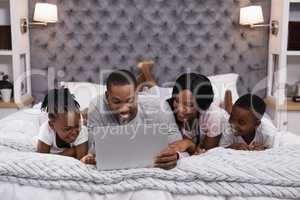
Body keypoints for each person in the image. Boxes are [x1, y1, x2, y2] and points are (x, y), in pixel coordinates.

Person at [81, 69, 183, 170]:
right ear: (107, 96)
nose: (124, 108)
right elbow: (93, 151)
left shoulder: (159, 108)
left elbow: (181, 147)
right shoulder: (96, 107)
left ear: (137, 95)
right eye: (117, 101)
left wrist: (176, 156)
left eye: (130, 100)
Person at [137, 62, 228, 154]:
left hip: (213, 108)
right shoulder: (168, 105)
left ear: (201, 105)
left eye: (188, 104)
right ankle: (145, 70)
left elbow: (207, 154)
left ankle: (226, 103)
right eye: (177, 101)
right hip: (167, 97)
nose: (179, 109)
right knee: (155, 91)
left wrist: (189, 144)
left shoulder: (214, 116)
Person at [37, 88, 88, 159]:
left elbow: (82, 159)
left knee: (88, 114)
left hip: (80, 119)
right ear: (52, 125)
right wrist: (69, 153)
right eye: (67, 129)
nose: (74, 132)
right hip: (48, 118)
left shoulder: (81, 129)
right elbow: (41, 159)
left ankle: (84, 113)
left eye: (77, 126)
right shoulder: (46, 130)